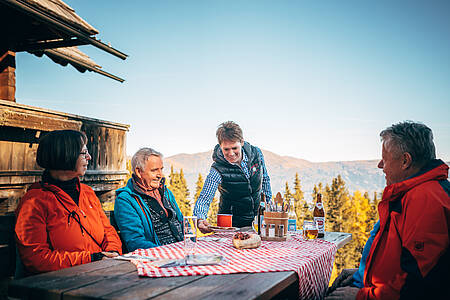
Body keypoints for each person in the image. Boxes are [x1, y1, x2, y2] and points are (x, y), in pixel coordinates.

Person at [326, 121, 450, 300]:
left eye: (385, 159)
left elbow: (416, 284)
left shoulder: (425, 200)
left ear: (405, 161)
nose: (380, 165)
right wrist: (362, 272)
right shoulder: (413, 193)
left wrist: (362, 296)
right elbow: (399, 262)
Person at [15, 130, 122, 275]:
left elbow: (108, 231)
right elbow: (37, 259)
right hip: (63, 282)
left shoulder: (88, 193)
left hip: (101, 272)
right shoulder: (34, 202)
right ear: (65, 155)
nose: (89, 157)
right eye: (84, 153)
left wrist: (112, 252)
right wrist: (92, 259)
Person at [194, 121, 272, 232]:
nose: (231, 153)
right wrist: (200, 219)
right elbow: (205, 197)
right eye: (226, 149)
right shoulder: (217, 168)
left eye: (234, 148)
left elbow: (265, 180)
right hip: (231, 226)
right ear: (220, 146)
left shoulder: (256, 154)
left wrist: (269, 210)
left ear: (242, 142)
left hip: (258, 222)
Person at [114, 148, 184, 252]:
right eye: (154, 170)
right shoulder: (126, 200)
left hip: (181, 249)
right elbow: (135, 242)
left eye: (161, 169)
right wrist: (168, 252)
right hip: (158, 258)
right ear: (138, 172)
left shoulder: (166, 193)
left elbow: (182, 222)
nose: (160, 175)